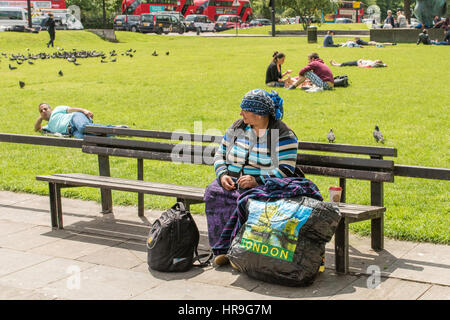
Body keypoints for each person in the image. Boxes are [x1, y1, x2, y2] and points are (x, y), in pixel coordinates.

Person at [204, 89, 301, 266]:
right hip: (232, 181)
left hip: (262, 185)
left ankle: (240, 251)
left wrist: (257, 180)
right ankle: (222, 249)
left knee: (245, 200)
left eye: (245, 110)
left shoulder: (283, 134)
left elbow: (286, 169)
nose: (241, 113)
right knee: (213, 192)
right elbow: (220, 154)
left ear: (259, 114)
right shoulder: (238, 127)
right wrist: (222, 175)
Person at [34, 103, 127, 138]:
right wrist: (41, 117)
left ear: (51, 109)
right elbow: (37, 129)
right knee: (84, 138)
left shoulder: (57, 110)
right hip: (72, 131)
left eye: (45, 109)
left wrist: (84, 110)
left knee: (83, 127)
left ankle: (114, 128)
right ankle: (117, 133)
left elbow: (71, 110)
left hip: (75, 118)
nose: (44, 111)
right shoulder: (49, 127)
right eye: (41, 111)